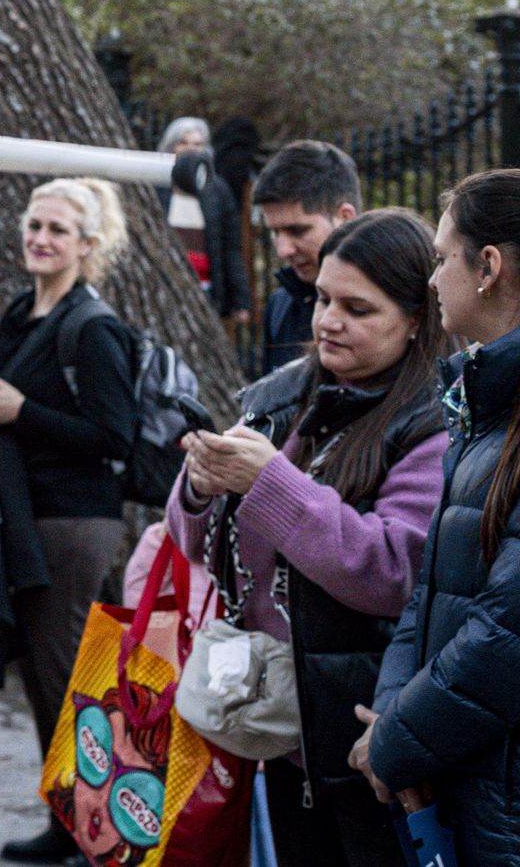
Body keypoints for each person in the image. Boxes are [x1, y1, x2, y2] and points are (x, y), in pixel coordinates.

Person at [168, 209, 450, 865]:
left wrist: (269, 481)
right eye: (323, 299)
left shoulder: (431, 421)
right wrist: (201, 487)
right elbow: (199, 546)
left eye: (357, 308)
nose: (327, 321)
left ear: (416, 320)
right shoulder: (282, 395)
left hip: (365, 733)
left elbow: (390, 570)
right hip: (278, 727)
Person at [0, 177, 136, 864]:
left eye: (57, 231)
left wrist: (22, 412)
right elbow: (10, 398)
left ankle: (97, 831)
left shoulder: (94, 327)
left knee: (70, 683)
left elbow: (115, 438)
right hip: (26, 518)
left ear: (87, 245)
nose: (40, 239)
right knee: (45, 681)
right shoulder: (25, 311)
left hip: (73, 524)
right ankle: (67, 820)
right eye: (34, 226)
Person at [355, 170, 520, 865]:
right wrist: (393, 717)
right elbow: (429, 592)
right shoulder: (481, 405)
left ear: (488, 267)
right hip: (459, 782)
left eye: (441, 258)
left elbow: (505, 630)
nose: (430, 281)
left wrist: (392, 743)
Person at [252, 141, 361, 375]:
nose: (283, 250)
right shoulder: (281, 305)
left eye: (298, 231)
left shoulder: (394, 304)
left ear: (345, 218)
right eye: (275, 232)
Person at [157, 116, 251, 329]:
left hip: (206, 290)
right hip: (165, 288)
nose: (190, 149)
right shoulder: (156, 187)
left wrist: (240, 301)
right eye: (183, 143)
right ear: (171, 147)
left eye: (197, 144)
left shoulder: (218, 190)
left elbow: (231, 248)